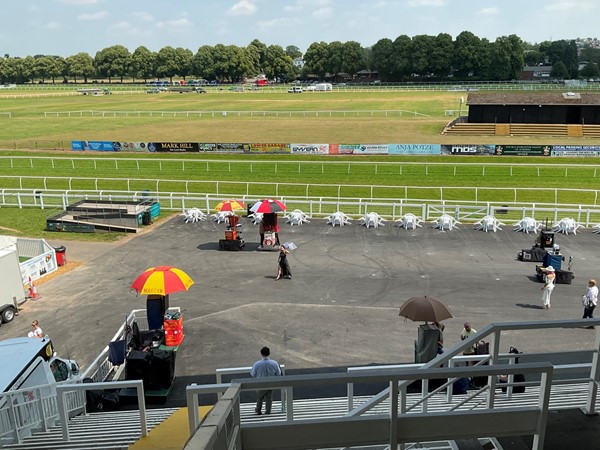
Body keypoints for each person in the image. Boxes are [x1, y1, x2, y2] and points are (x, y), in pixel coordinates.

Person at [250, 346, 282, 415]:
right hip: (270, 383)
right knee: (269, 398)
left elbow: (253, 374)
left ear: (261, 353)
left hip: (260, 384)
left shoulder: (257, 364)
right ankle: (268, 411)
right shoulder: (274, 363)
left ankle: (258, 410)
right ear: (269, 353)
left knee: (260, 397)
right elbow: (278, 373)